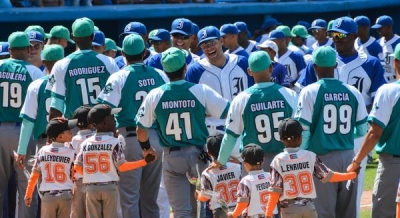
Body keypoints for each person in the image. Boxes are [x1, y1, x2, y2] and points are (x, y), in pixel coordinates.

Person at [136, 47, 230, 218]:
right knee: (204, 207)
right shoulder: (200, 90)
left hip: (172, 157)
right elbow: (227, 112)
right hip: (198, 155)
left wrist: (146, 148)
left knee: (181, 211)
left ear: (165, 71)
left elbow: (141, 129)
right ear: (185, 68)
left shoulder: (156, 94)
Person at [97, 34, 168, 218]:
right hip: (156, 138)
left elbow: (103, 109)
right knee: (150, 197)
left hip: (130, 138)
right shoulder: (159, 74)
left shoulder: (119, 76)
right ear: (145, 52)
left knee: (129, 197)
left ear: (123, 53)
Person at [294, 46, 368, 218]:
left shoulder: (309, 91)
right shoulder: (353, 91)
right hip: (349, 157)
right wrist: (344, 135)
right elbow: (362, 129)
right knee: (348, 212)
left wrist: (300, 157)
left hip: (321, 160)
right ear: (336, 66)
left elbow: (303, 131)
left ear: (314, 67)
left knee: (324, 212)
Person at [215, 50, 297, 172]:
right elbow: (301, 130)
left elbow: (231, 135)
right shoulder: (289, 94)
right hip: (285, 160)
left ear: (249, 71)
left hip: (253, 163)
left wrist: (220, 161)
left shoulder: (241, 99)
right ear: (271, 68)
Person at [265, 118, 359, 218]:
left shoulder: (278, 160)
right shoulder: (310, 156)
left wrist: (268, 212)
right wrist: (352, 175)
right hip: (309, 207)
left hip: (289, 209)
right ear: (300, 137)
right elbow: (328, 176)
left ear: (281, 139)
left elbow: (275, 190)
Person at [74, 104, 156, 218]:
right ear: (103, 123)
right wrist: (144, 162)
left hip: (91, 188)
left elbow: (77, 167)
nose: (114, 120)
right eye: (111, 118)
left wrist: (91, 176)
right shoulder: (114, 142)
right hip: (109, 188)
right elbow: (122, 167)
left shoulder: (85, 143)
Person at [347, 43, 400, 218]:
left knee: (383, 214)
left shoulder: (389, 91)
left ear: (396, 63)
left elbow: (374, 132)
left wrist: (356, 161)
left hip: (393, 165)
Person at [0, 31, 44, 217]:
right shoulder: (34, 72)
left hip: (1, 130)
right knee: (27, 188)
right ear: (28, 49)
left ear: (9, 49)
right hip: (24, 133)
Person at [46, 17, 119, 120]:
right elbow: (119, 95)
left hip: (76, 125)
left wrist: (53, 130)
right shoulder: (109, 62)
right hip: (103, 124)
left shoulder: (62, 64)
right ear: (93, 36)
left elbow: (56, 105)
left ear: (73, 37)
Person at [17, 44, 64, 172]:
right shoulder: (68, 81)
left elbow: (28, 121)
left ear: (43, 62)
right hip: (67, 141)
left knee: (44, 186)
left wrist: (21, 150)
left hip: (45, 142)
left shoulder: (36, 85)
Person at [24, 117, 76, 218]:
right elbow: (76, 173)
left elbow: (34, 175)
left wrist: (28, 193)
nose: (71, 132)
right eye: (68, 131)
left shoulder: (43, 151)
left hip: (48, 197)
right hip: (66, 195)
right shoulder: (71, 152)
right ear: (60, 137)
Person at [196, 134, 242, 217]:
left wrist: (198, 195)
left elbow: (205, 197)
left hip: (220, 212)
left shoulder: (207, 173)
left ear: (209, 153)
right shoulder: (238, 167)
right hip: (239, 209)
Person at [227, 144, 276, 218]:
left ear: (244, 163)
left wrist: (234, 214)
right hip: (270, 215)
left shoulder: (246, 181)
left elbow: (243, 203)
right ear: (263, 161)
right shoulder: (270, 176)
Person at [69, 106, 95, 218]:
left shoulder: (73, 140)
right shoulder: (96, 138)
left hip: (78, 182)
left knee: (77, 214)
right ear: (91, 123)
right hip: (95, 181)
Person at [371, 15, 400, 83]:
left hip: (396, 80)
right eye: (377, 29)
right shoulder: (377, 43)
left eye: (380, 28)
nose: (378, 31)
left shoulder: (398, 42)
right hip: (382, 81)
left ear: (389, 27)